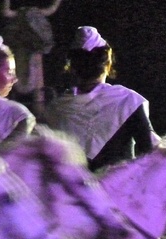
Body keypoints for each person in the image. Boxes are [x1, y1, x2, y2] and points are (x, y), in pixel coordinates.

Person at [44, 26, 159, 172]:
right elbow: (148, 155)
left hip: (69, 193)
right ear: (107, 64)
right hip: (118, 192)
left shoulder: (55, 109)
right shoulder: (128, 101)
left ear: (72, 67)